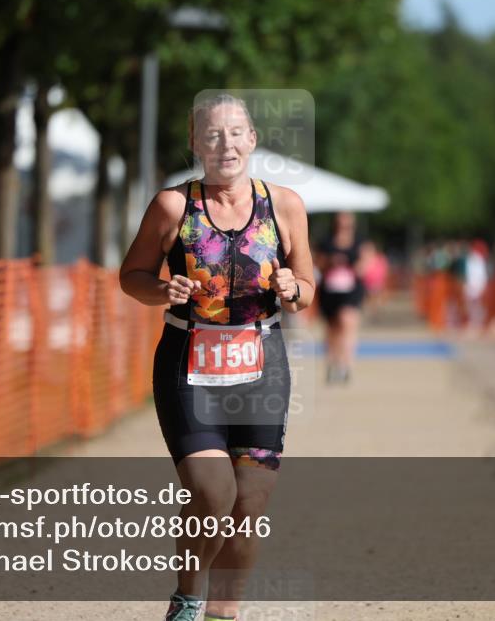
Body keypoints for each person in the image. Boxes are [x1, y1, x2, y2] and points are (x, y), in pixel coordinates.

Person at [120, 93, 315, 621]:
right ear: (195, 143)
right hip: (190, 361)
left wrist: (293, 287)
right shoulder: (172, 206)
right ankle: (187, 596)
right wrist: (161, 291)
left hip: (261, 361)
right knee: (213, 491)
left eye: (235, 132)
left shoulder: (285, 205)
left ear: (252, 139)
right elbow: (130, 277)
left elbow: (308, 285)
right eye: (212, 133)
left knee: (250, 504)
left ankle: (223, 613)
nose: (225, 144)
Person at [314, 211, 366, 384]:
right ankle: (332, 362)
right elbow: (318, 264)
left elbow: (364, 266)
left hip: (351, 291)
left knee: (347, 322)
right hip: (330, 291)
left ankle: (346, 364)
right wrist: (331, 262)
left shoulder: (359, 242)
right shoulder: (326, 242)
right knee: (332, 329)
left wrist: (348, 263)